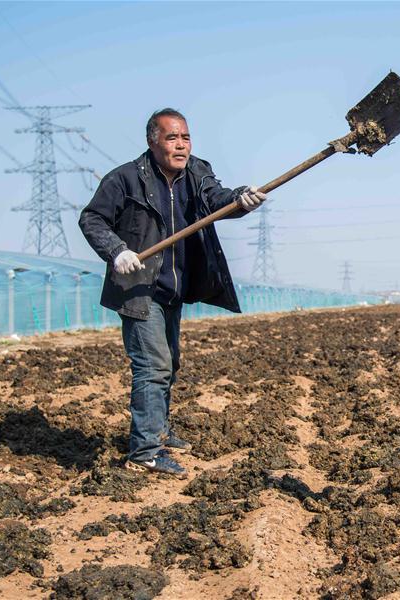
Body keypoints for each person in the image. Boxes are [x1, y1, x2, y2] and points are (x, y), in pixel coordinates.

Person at [79, 108, 266, 478]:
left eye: (185, 137)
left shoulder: (196, 172)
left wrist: (241, 199)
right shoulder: (126, 179)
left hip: (172, 289)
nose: (181, 145)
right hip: (139, 288)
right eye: (172, 138)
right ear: (153, 141)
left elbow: (218, 199)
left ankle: (159, 430)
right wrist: (117, 250)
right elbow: (92, 218)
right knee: (152, 366)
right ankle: (145, 451)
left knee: (170, 363)